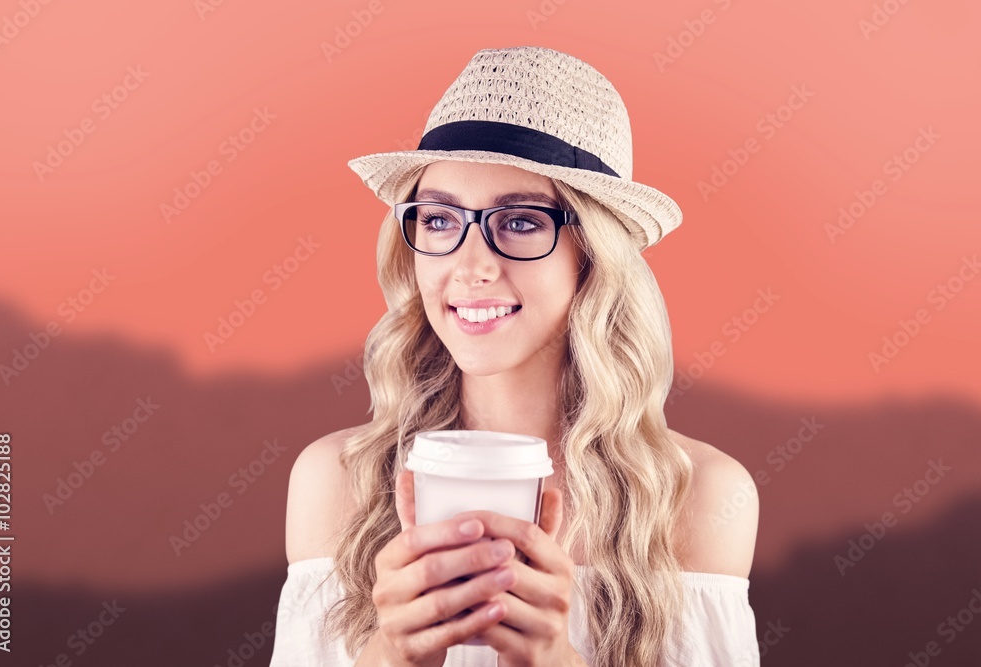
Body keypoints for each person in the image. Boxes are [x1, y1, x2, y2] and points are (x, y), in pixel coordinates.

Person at [270, 45, 760, 667]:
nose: (470, 265)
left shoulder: (700, 498)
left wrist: (552, 657)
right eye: (440, 219)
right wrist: (393, 651)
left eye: (521, 222)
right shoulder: (337, 481)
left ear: (592, 256)